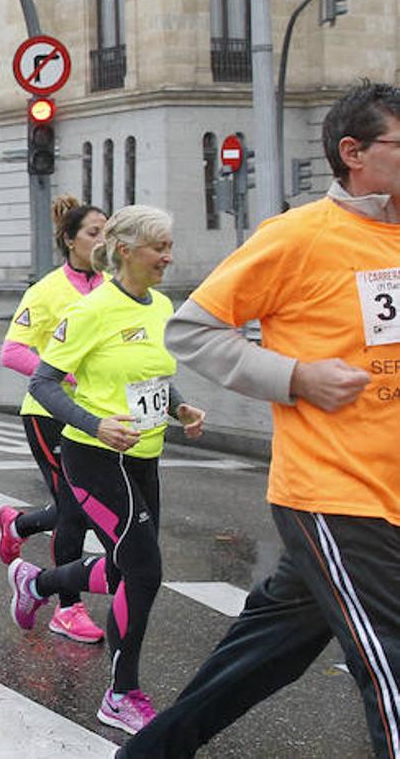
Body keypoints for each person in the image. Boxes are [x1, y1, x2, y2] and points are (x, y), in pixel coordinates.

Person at [119, 83, 400, 758]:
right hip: (335, 492)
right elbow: (191, 332)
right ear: (352, 153)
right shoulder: (299, 235)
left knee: (265, 654)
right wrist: (295, 377)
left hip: (389, 492)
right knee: (391, 666)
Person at [7, 205, 206, 735]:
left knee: (124, 570)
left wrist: (178, 406)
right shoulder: (91, 310)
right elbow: (43, 384)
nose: (167, 256)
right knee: (144, 571)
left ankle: (38, 583)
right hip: (94, 457)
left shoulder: (161, 305)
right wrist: (96, 425)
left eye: (169, 246)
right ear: (125, 251)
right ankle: (121, 694)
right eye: (157, 247)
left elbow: (152, 375)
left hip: (145, 456)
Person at [0, 197, 107, 644]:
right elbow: (12, 351)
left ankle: (18, 526)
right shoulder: (45, 291)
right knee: (75, 510)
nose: (102, 241)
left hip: (97, 417)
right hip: (49, 415)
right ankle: (68, 607)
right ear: (69, 240)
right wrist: (66, 371)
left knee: (80, 504)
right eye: (93, 233)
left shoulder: (112, 287)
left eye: (107, 232)